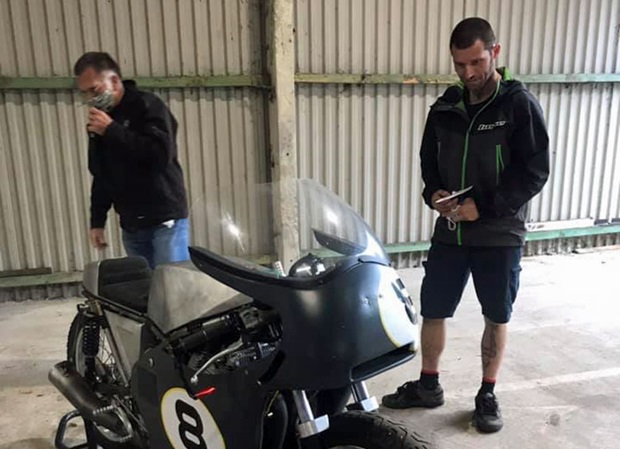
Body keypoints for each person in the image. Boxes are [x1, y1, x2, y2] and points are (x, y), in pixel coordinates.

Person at [381, 18, 550, 434]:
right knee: (433, 309)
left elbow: (535, 171)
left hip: (498, 234)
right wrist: (433, 194)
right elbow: (427, 163)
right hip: (450, 232)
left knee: (496, 314)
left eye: (476, 61)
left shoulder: (517, 105)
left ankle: (487, 393)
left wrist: (486, 207)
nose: (469, 73)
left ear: (495, 52)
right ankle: (428, 384)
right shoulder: (445, 107)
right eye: (460, 64)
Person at [74, 52, 189, 269]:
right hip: (132, 225)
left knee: (173, 289)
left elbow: (160, 156)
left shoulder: (147, 106)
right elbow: (101, 173)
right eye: (84, 93)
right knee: (145, 290)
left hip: (164, 221)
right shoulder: (100, 121)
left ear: (114, 81)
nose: (90, 98)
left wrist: (112, 131)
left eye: (95, 89)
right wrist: (97, 221)